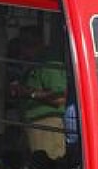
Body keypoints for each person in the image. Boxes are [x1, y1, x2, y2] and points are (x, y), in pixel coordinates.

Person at [11, 25, 67, 161]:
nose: (23, 47)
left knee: (46, 166)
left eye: (27, 43)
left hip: (46, 125)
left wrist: (28, 92)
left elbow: (59, 98)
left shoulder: (48, 63)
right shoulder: (33, 63)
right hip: (32, 124)